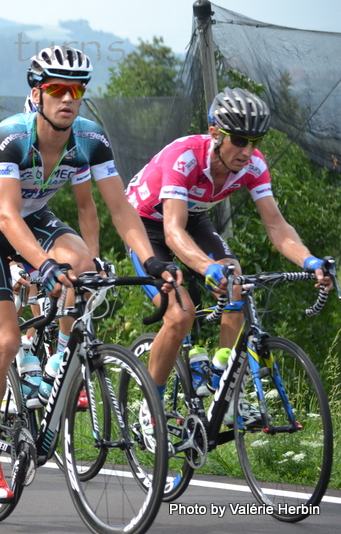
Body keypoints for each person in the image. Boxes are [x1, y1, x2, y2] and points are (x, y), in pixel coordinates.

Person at [0, 45, 176, 500]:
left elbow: (120, 209)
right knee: (4, 339)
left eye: (76, 90)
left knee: (84, 262)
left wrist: (152, 261)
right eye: (57, 89)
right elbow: (6, 219)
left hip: (33, 216)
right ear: (37, 94)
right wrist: (42, 265)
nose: (68, 99)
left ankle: (58, 357)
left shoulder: (91, 139)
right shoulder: (10, 137)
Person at [125, 87, 333, 440]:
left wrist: (310, 259)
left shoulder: (253, 164)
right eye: (239, 140)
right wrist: (208, 269)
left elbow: (277, 226)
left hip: (192, 218)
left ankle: (224, 390)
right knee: (180, 313)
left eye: (255, 141)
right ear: (215, 133)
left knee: (236, 281)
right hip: (147, 225)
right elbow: (172, 233)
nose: (247, 151)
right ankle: (150, 404)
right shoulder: (185, 157)